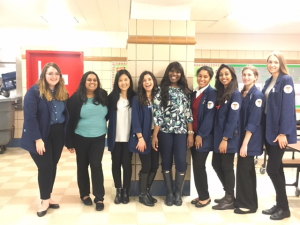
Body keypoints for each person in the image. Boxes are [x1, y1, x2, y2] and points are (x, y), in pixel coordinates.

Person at [21, 62, 69, 217]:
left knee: (52, 166)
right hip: (40, 136)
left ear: (60, 77)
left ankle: (48, 196)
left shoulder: (62, 93)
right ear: (44, 75)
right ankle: (44, 200)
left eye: (56, 73)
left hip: (58, 134)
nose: (53, 76)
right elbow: (30, 117)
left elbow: (66, 115)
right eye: (50, 73)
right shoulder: (34, 92)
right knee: (45, 167)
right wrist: (38, 139)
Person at [152, 61, 193, 206]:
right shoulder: (160, 90)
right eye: (172, 71)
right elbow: (158, 113)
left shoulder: (185, 91)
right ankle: (169, 193)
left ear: (181, 74)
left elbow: (188, 113)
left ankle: (178, 193)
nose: (174, 74)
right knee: (167, 162)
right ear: (168, 73)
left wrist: (190, 133)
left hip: (181, 132)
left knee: (181, 162)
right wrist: (155, 135)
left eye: (177, 71)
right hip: (165, 132)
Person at [261, 51, 297, 220]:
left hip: (278, 134)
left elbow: (288, 109)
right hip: (269, 132)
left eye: (275, 62)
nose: (272, 65)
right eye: (270, 62)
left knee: (272, 169)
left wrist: (283, 133)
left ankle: (284, 208)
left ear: (281, 63)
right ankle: (281, 205)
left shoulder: (286, 80)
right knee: (279, 170)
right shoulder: (269, 81)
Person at [66, 71, 108, 211]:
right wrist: (69, 142)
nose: (92, 82)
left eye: (95, 80)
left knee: (96, 165)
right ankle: (84, 194)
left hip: (99, 137)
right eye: (89, 79)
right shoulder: (76, 98)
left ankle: (99, 197)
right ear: (84, 82)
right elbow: (69, 120)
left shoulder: (103, 95)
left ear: (98, 82)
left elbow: (107, 114)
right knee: (82, 166)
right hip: (80, 137)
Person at [234, 66, 264, 214]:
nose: (246, 77)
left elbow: (253, 121)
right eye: (244, 74)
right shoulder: (243, 93)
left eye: (249, 75)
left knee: (244, 171)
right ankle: (251, 202)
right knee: (247, 171)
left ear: (255, 77)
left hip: (250, 140)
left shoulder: (257, 95)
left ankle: (247, 205)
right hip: (242, 138)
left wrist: (245, 144)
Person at [212, 64, 242, 210]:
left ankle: (230, 198)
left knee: (227, 166)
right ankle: (228, 194)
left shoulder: (235, 94)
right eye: (221, 74)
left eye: (227, 74)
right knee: (216, 164)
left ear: (232, 76)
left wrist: (225, 139)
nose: (223, 77)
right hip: (219, 137)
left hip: (228, 139)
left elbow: (233, 119)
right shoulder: (221, 93)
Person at [129, 71, 159, 207]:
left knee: (155, 165)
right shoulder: (137, 99)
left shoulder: (157, 97)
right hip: (143, 137)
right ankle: (142, 194)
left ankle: (146, 192)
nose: (147, 82)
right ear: (142, 83)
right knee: (146, 166)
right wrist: (140, 138)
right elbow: (135, 119)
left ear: (153, 81)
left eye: (150, 79)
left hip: (156, 136)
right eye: (144, 80)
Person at [190, 66, 217, 208]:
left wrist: (200, 135)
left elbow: (209, 117)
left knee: (199, 165)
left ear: (210, 78)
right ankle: (201, 194)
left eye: (205, 77)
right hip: (193, 135)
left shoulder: (212, 93)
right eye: (200, 76)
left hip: (203, 137)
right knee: (197, 166)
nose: (202, 79)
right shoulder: (195, 92)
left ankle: (205, 197)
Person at [107, 69, 135, 204]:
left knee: (127, 165)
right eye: (120, 80)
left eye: (125, 79)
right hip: (115, 138)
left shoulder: (134, 97)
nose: (123, 83)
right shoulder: (112, 98)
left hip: (129, 139)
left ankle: (126, 190)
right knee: (116, 164)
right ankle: (118, 189)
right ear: (117, 82)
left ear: (129, 80)